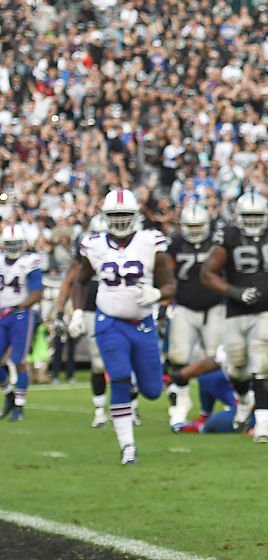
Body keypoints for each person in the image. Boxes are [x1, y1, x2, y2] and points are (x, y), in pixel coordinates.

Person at [68, 189, 176, 464]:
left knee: (152, 391)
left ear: (135, 216)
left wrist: (158, 294)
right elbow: (80, 281)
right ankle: (128, 446)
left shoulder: (150, 241)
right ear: (105, 217)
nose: (118, 220)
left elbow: (170, 284)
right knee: (117, 378)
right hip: (109, 321)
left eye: (123, 215)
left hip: (142, 323)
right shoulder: (94, 245)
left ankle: (138, 388)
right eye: (113, 215)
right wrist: (78, 312)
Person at [200, 190, 268, 444]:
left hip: (267, 309)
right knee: (236, 368)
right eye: (249, 216)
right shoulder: (230, 236)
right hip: (236, 312)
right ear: (238, 216)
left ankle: (263, 427)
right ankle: (244, 401)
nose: (254, 222)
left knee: (264, 365)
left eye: (258, 216)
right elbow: (207, 273)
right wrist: (236, 292)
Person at [165, 202, 226, 427]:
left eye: (199, 225)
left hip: (215, 306)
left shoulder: (216, 243)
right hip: (185, 306)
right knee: (179, 357)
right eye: (191, 226)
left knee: (215, 358)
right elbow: (167, 272)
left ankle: (212, 406)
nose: (195, 230)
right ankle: (181, 405)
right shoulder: (175, 245)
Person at [55, 213, 114, 427]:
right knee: (98, 362)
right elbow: (71, 282)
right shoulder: (85, 254)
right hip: (91, 308)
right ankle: (100, 409)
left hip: (118, 309)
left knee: (125, 359)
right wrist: (64, 311)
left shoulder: (125, 251)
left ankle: (131, 407)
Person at [168, 348, 268, 434]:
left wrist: (266, 423)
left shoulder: (261, 352)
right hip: (235, 396)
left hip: (253, 409)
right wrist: (180, 375)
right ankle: (205, 414)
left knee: (216, 421)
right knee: (207, 377)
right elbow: (208, 363)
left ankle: (201, 427)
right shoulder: (233, 342)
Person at [0, 224, 43, 421]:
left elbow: (37, 294)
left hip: (21, 315)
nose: (13, 247)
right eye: (10, 244)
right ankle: (9, 393)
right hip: (2, 315)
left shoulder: (30, 262)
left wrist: (17, 307)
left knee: (19, 361)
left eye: (16, 243)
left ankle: (19, 407)